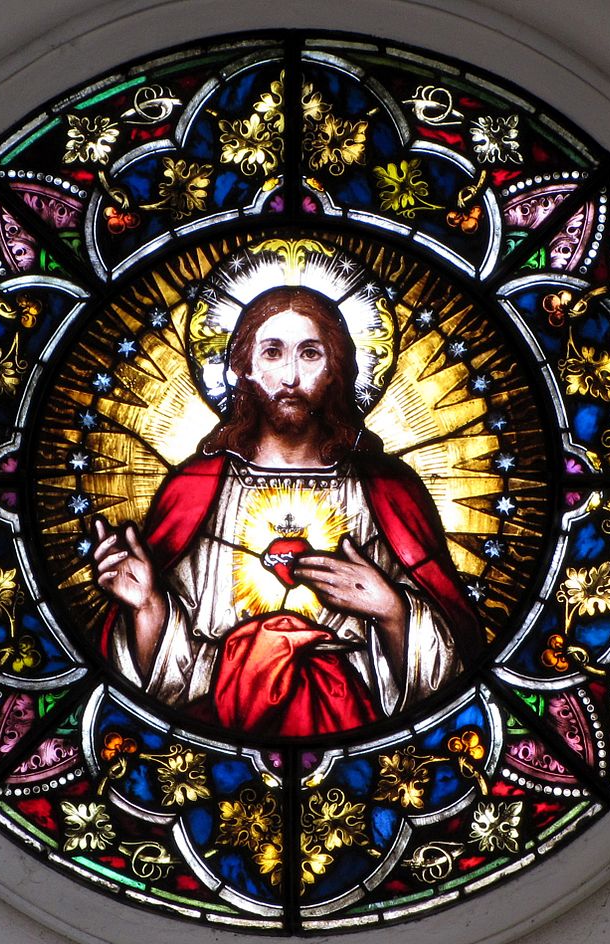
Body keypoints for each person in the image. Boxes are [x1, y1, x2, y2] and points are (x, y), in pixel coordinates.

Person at [93, 286, 478, 736]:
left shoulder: (386, 490)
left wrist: (391, 610)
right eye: (272, 352)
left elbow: (449, 679)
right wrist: (147, 606)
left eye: (310, 354)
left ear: (335, 370)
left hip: (360, 732)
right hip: (222, 732)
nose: (291, 376)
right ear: (244, 368)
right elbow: (170, 689)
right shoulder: (196, 490)